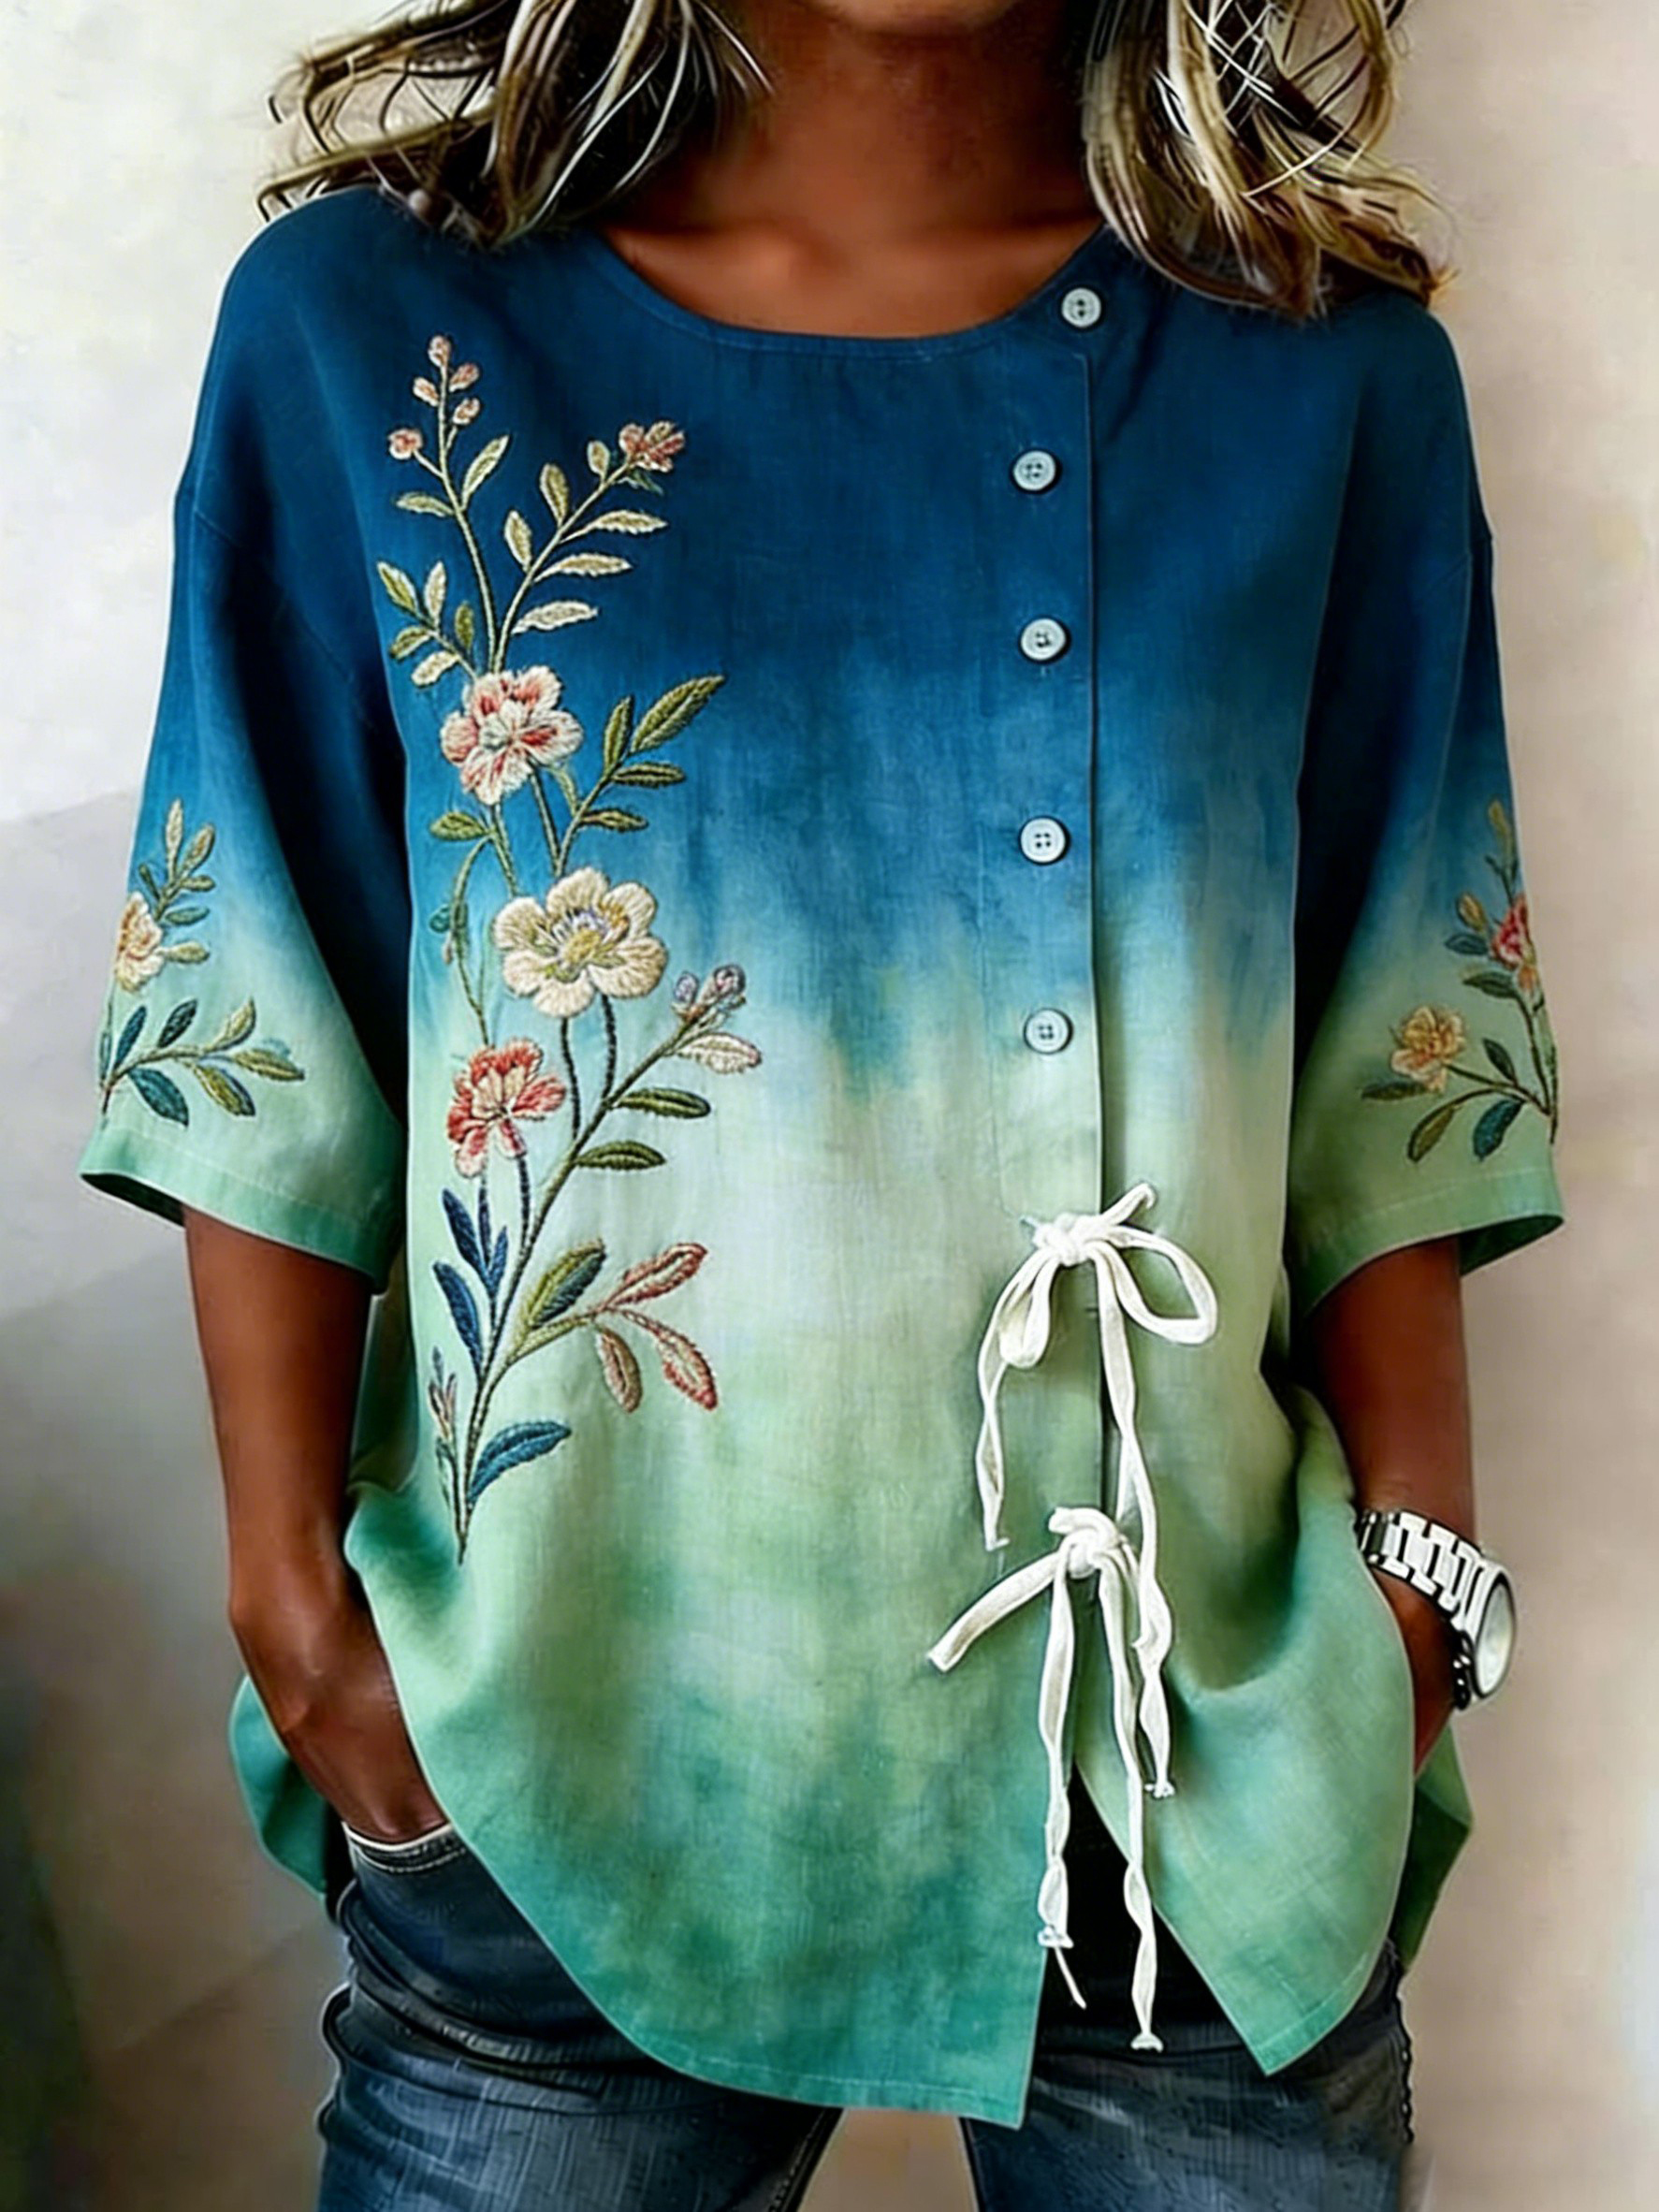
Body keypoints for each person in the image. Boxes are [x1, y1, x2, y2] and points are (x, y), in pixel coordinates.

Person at [77, 2, 1567, 2205]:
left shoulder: (1315, 369)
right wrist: (297, 1614)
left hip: (1188, 1759)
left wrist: (1410, 1596)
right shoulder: (374, 332)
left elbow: (1399, 1025)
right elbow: (258, 994)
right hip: (562, 1742)